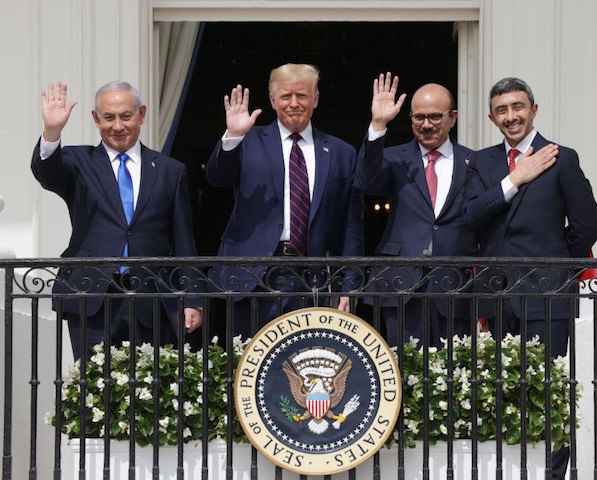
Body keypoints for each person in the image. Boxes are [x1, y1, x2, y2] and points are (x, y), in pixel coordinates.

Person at [463, 77, 597, 479]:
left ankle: (551, 474)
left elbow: (586, 225)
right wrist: (515, 178)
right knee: (503, 390)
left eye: (518, 107)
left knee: (547, 391)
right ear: (492, 118)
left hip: (547, 295)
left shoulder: (561, 158)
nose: (511, 116)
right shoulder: (482, 163)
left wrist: (555, 271)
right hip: (496, 295)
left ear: (533, 110)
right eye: (502, 110)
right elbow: (471, 216)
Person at [31, 81, 203, 359]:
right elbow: (47, 173)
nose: (118, 126)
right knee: (91, 380)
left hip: (150, 298)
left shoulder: (170, 171)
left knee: (150, 383)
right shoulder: (78, 161)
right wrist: (52, 131)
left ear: (141, 115)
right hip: (91, 295)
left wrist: (193, 298)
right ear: (96, 119)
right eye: (109, 117)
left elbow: (184, 240)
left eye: (126, 116)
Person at [206, 63, 363, 338]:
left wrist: (349, 283)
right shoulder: (247, 140)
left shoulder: (341, 152)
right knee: (251, 360)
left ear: (315, 99)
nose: (293, 103)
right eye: (285, 96)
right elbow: (217, 177)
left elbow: (351, 224)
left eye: (302, 96)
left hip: (315, 279)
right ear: (272, 100)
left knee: (310, 360)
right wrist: (233, 137)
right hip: (253, 277)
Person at [355, 73, 477, 346]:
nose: (426, 124)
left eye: (435, 117)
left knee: (455, 366)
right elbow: (365, 182)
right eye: (419, 117)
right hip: (401, 282)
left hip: (456, 283)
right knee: (403, 364)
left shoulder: (474, 161)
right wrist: (378, 124)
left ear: (453, 117)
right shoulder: (393, 157)